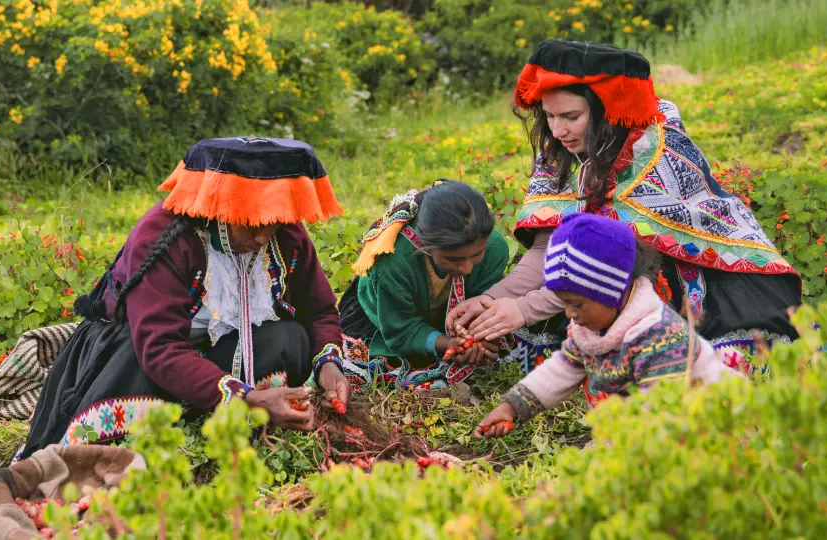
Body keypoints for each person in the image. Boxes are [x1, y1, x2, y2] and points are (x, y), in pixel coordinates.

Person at [452, 40, 801, 382]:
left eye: (571, 116)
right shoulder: (560, 148)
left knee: (702, 362)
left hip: (674, 276)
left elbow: (623, 264)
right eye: (550, 116)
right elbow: (547, 248)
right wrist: (491, 299)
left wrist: (525, 309)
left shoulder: (655, 151)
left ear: (607, 110)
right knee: (523, 345)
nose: (558, 131)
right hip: (587, 285)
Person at [19, 137, 351, 460]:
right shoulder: (165, 237)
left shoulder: (286, 235)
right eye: (252, 223)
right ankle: (166, 432)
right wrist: (246, 398)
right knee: (129, 376)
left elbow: (319, 310)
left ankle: (225, 418)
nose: (263, 236)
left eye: (274, 221)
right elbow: (160, 348)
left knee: (287, 337)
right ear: (221, 207)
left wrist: (330, 366)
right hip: (143, 354)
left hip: (216, 351)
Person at [475, 213, 738, 438]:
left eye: (577, 304)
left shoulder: (658, 337)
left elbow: (661, 413)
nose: (570, 313)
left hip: (712, 427)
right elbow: (563, 369)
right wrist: (513, 406)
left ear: (612, 293)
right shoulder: (593, 327)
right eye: (565, 303)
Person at [339, 179, 547, 390]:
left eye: (476, 254)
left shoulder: (494, 249)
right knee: (367, 369)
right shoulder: (392, 262)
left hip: (441, 318)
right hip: (385, 319)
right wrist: (448, 344)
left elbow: (480, 303)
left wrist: (480, 339)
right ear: (425, 245)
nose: (466, 269)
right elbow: (401, 330)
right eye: (453, 259)